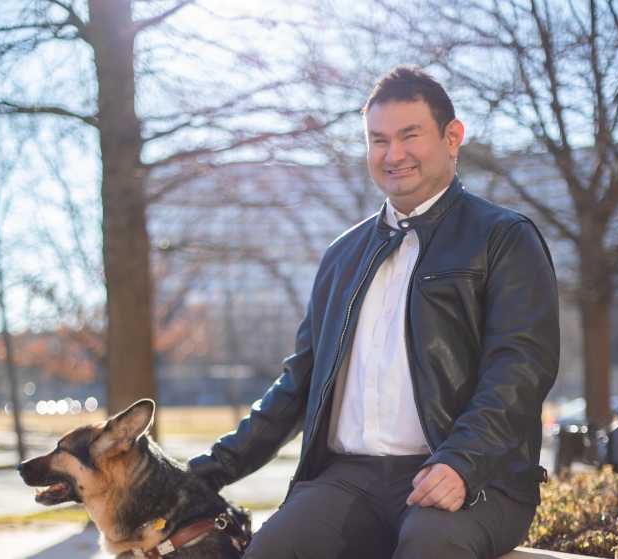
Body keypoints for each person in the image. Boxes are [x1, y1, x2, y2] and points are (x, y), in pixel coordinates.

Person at [188, 65, 560, 559]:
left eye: (410, 135)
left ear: (453, 138)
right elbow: (297, 386)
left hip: (474, 476)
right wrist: (199, 476)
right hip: (350, 480)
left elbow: (520, 369)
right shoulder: (343, 256)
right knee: (271, 551)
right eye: (378, 139)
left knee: (430, 545)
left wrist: (461, 463)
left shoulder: (503, 238)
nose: (393, 154)